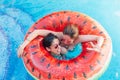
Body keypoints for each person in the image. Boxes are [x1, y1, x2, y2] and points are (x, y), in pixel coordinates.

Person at [18, 24, 104, 58]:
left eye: (69, 41)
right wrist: (22, 46)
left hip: (68, 54)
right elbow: (37, 32)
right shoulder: (58, 35)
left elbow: (100, 38)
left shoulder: (79, 39)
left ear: (74, 39)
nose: (65, 42)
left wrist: (98, 46)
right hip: (56, 52)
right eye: (63, 39)